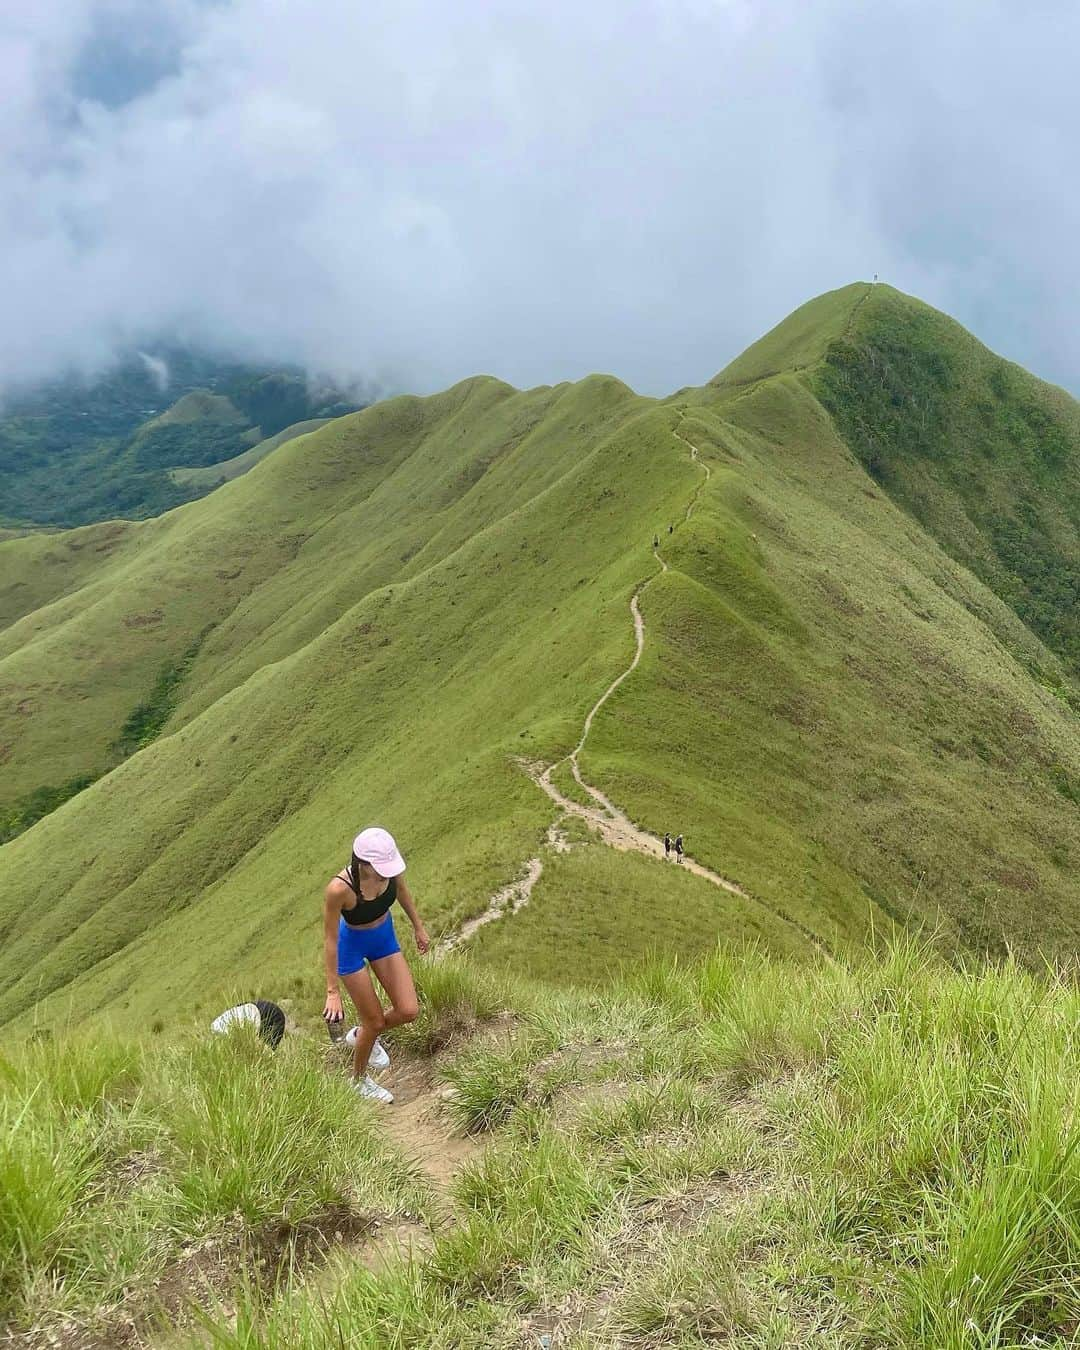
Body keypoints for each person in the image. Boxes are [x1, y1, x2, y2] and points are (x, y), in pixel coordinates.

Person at [322, 826, 429, 1104]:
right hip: (351, 947)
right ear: (362, 863)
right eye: (380, 868)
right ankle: (357, 1080)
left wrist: (418, 927)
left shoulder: (390, 871)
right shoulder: (339, 890)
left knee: (408, 1010)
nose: (387, 873)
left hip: (383, 937)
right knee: (375, 1020)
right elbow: (330, 939)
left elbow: (403, 893)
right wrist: (333, 991)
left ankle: (362, 1036)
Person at [210, 999, 287, 1049]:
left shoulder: (225, 1033)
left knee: (265, 1055)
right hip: (248, 1010)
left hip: (271, 1015)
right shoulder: (215, 1028)